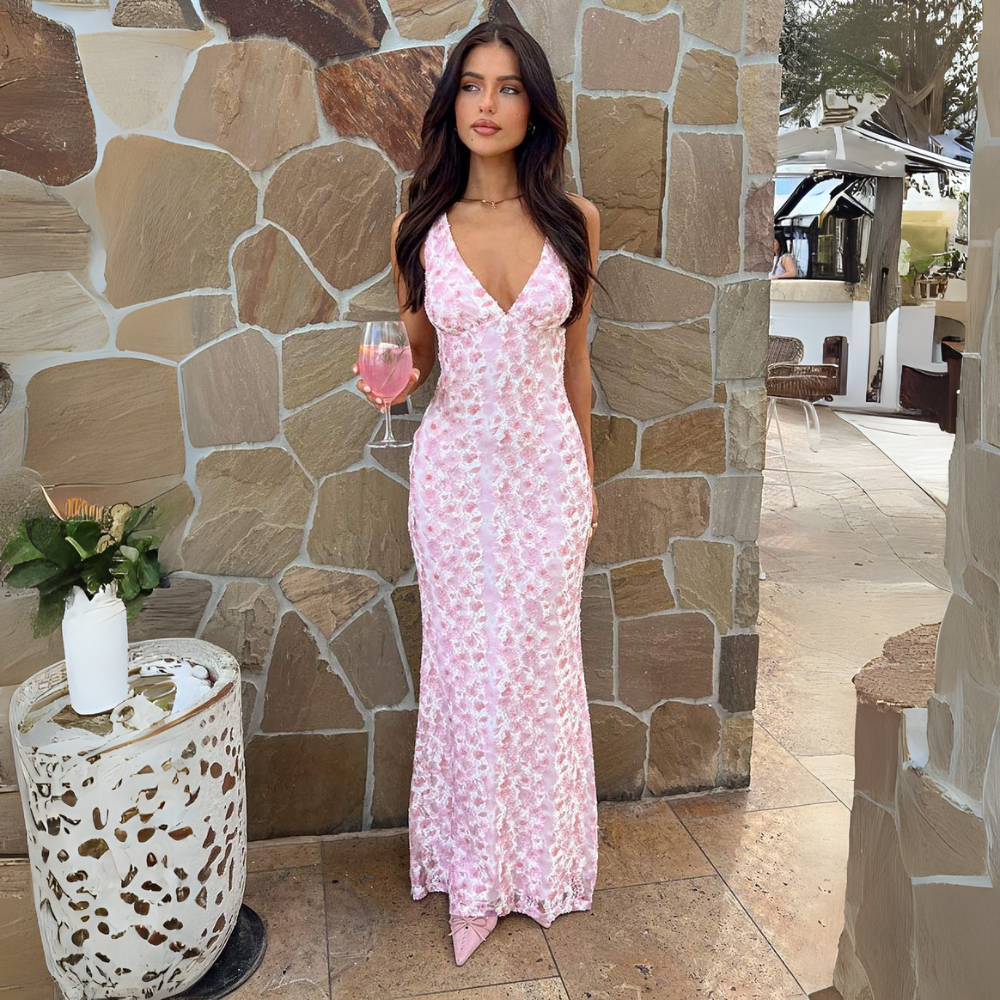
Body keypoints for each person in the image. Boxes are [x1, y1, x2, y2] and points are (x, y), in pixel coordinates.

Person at [350, 19, 601, 968]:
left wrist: (587, 483)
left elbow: (577, 365)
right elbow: (416, 355)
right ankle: (471, 872)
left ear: (533, 106)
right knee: (463, 674)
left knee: (541, 675)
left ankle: (540, 865)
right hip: (455, 485)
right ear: (451, 102)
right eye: (471, 86)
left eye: (507, 87)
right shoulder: (416, 228)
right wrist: (386, 379)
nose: (486, 105)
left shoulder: (575, 220)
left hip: (547, 481)